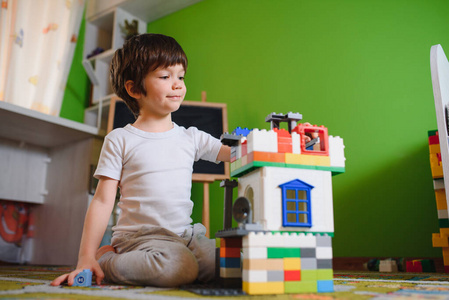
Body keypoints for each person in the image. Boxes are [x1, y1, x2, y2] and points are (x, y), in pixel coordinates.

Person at [51, 33, 230, 287]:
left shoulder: (192, 137)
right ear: (134, 89)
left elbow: (234, 153)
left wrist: (283, 141)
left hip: (186, 237)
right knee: (179, 268)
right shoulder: (120, 139)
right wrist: (85, 257)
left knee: (235, 265)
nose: (178, 85)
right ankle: (106, 260)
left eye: (181, 76)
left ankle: (185, 263)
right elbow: (103, 201)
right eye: (165, 77)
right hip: (140, 238)